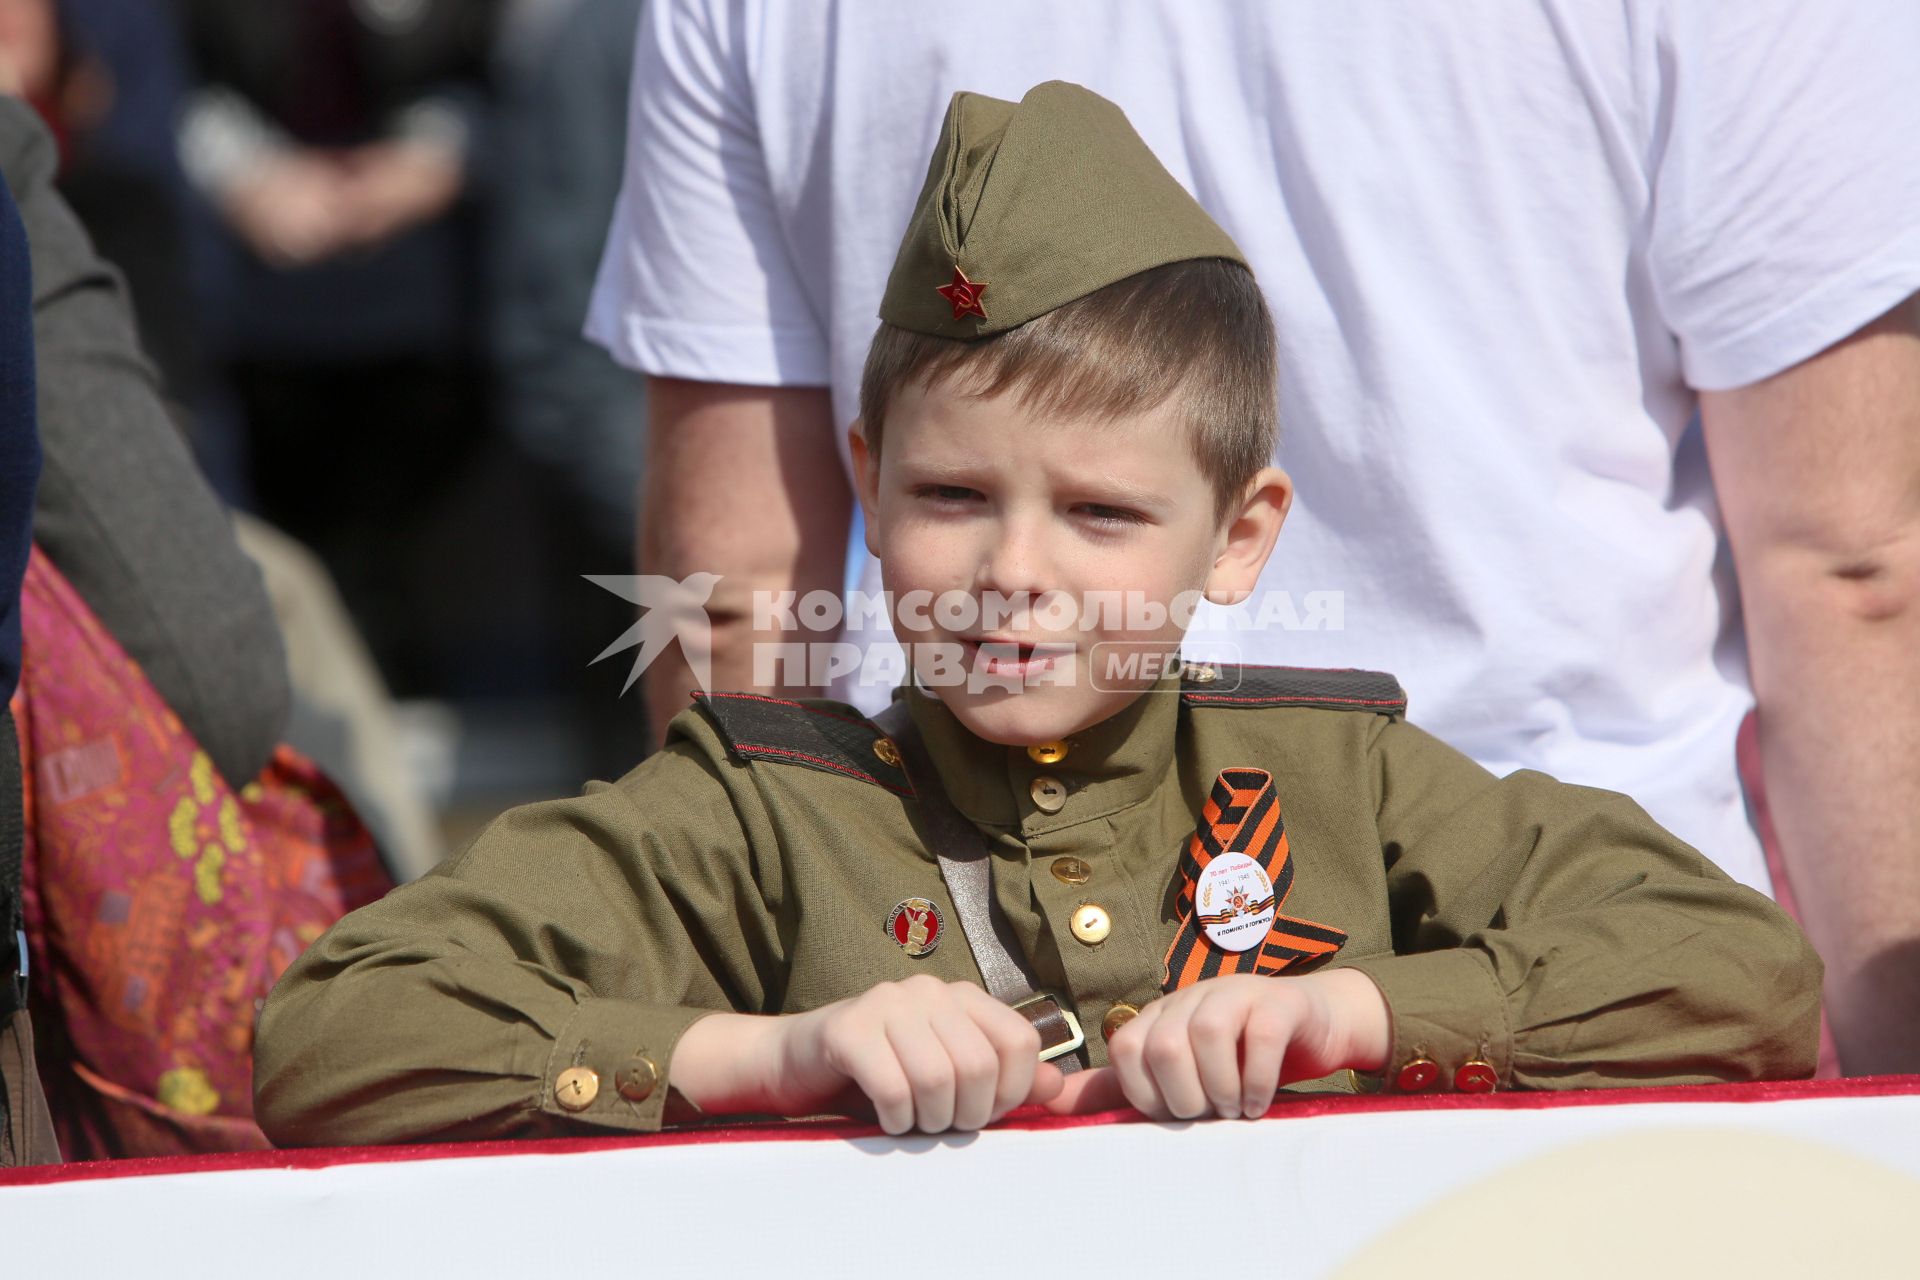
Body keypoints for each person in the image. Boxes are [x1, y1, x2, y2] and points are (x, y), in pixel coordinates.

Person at [254, 84, 1819, 1145]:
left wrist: (1354, 1014)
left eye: (1102, 512)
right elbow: (338, 1037)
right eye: (952, 499)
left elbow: (1736, 971)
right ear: (864, 484)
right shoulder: (757, 811)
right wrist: (772, 1056)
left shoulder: (1345, 782)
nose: (1018, 570)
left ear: (1240, 535)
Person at [587, 0, 1920, 1076]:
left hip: (991, 1003)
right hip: (1578, 1000)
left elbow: (739, 593)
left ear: (1249, 532)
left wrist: (770, 1027)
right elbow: (1855, 563)